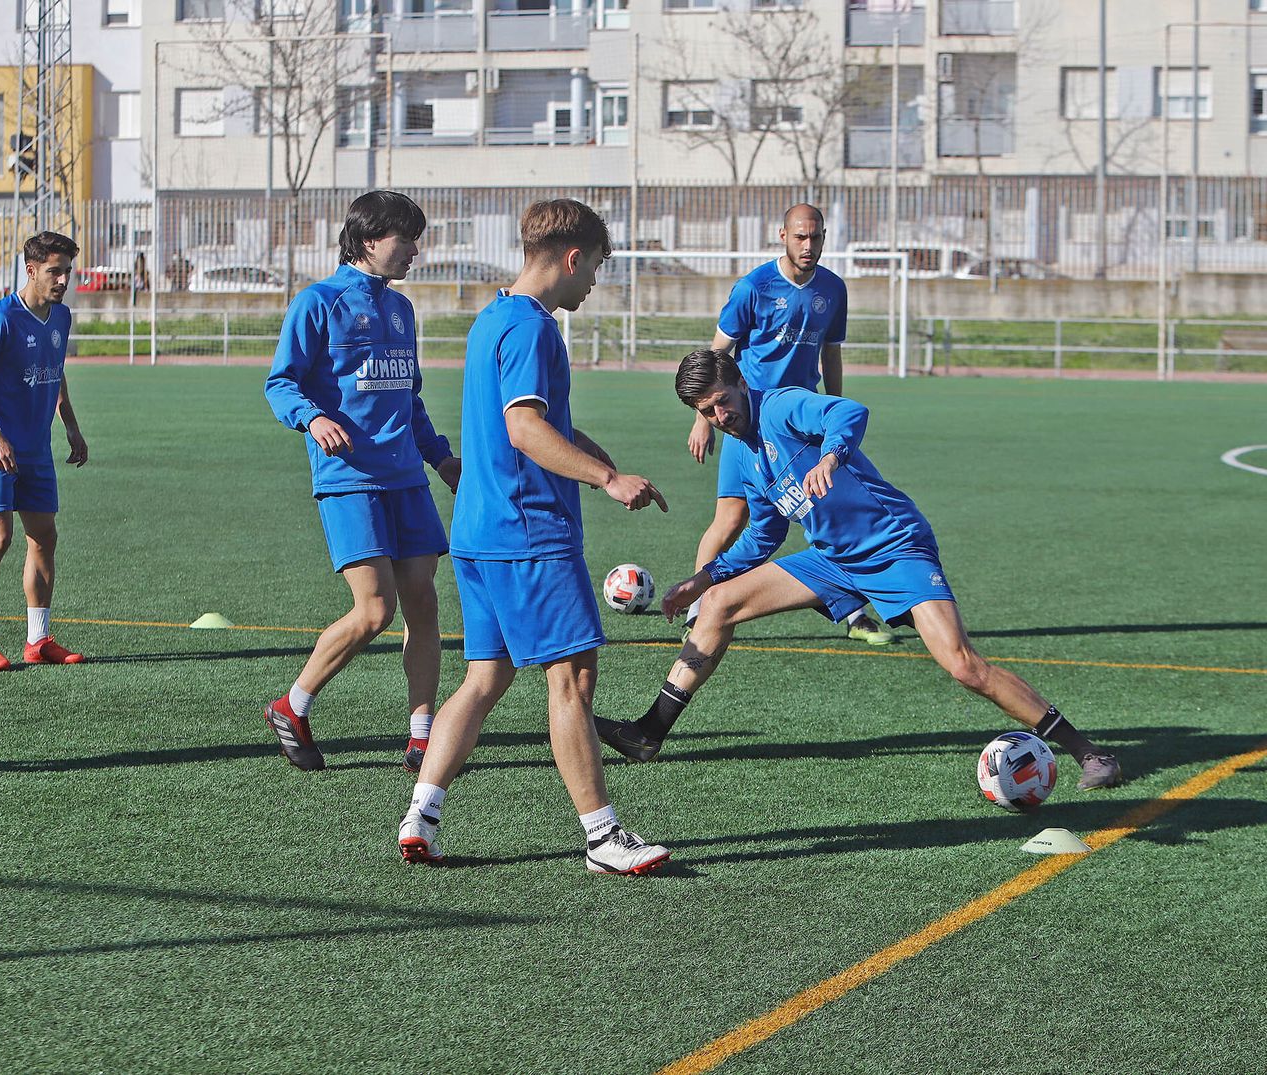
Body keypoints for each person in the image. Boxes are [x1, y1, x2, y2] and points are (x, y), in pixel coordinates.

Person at [594, 349, 1125, 793]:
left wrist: (830, 457)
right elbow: (765, 533)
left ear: (740, 383)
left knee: (963, 665)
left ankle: (1089, 752)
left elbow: (849, 411)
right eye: (707, 413)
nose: (720, 418)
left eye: (722, 403)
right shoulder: (740, 452)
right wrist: (704, 578)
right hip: (833, 560)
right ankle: (649, 732)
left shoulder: (781, 407)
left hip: (894, 546)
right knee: (720, 603)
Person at [398, 199, 673, 875]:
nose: (594, 285)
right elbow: (523, 428)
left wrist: (600, 458)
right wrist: (605, 479)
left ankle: (421, 815)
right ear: (572, 258)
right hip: (528, 533)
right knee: (573, 678)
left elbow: (537, 420)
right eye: (597, 269)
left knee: (485, 677)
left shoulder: (492, 318)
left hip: (478, 533)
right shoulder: (534, 328)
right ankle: (603, 837)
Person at [263, 191, 461, 772]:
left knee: (423, 605)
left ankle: (422, 734)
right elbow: (281, 384)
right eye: (407, 240)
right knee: (375, 611)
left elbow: (409, 397)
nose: (416, 254)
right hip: (349, 478)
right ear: (370, 240)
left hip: (406, 478)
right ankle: (292, 705)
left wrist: (440, 458)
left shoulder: (402, 311)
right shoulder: (318, 302)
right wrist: (313, 417)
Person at [682, 204, 891, 646]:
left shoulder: (833, 289)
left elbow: (830, 353)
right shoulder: (754, 287)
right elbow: (716, 358)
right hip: (749, 422)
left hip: (801, 423)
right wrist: (702, 421)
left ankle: (853, 612)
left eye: (815, 237)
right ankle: (697, 608)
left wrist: (832, 408)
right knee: (732, 518)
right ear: (782, 235)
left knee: (828, 510)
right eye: (800, 237)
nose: (808, 245)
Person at [0, 231, 90, 671]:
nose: (62, 280)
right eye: (54, 271)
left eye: (67, 271)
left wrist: (70, 426)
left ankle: (38, 639)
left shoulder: (60, 318)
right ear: (31, 270)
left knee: (44, 538)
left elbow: (55, 372)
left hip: (35, 449)